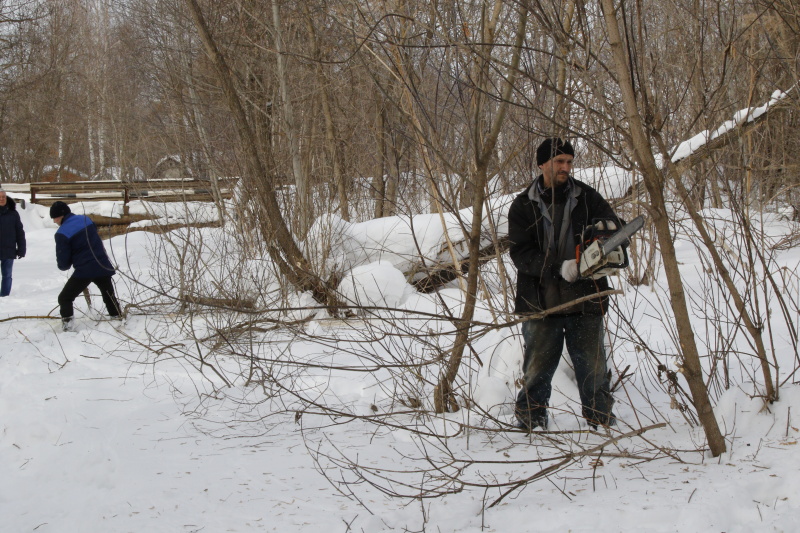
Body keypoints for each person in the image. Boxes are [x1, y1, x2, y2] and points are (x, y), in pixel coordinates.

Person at [507, 138, 622, 431]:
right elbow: (521, 254)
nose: (566, 167)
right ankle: (530, 421)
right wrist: (560, 267)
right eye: (559, 162)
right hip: (541, 301)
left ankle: (602, 421)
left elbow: (616, 229)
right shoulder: (523, 205)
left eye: (569, 161)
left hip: (586, 298)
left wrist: (602, 253)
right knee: (537, 370)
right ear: (542, 163)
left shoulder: (587, 197)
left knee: (594, 369)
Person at [50, 201, 121, 330]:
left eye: (55, 218)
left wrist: (64, 266)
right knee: (109, 295)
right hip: (102, 264)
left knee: (65, 298)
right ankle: (117, 317)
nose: (54, 221)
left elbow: (63, 261)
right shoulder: (86, 219)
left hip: (85, 269)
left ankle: (68, 326)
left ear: (62, 216)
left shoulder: (62, 233)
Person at [0, 189, 26, 297]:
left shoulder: (13, 214)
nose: (1, 199)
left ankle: (4, 297)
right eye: (0, 197)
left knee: (7, 275)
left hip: (8, 249)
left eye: (3, 197)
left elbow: (20, 232)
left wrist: (21, 249)